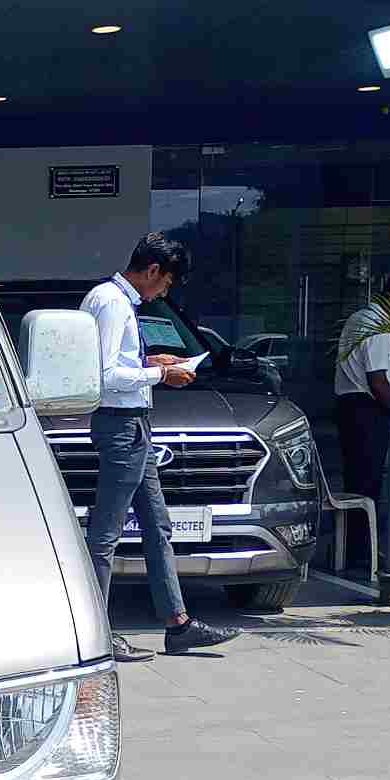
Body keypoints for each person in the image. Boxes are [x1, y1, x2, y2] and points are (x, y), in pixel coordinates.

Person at [81, 234, 241, 663]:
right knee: (106, 535)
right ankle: (97, 634)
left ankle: (178, 623)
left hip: (134, 424)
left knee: (157, 526)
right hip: (120, 424)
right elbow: (103, 374)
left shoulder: (115, 300)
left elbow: (117, 364)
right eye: (167, 282)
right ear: (153, 270)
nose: (164, 292)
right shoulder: (112, 302)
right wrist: (160, 376)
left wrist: (153, 363)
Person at [334, 285, 390, 520]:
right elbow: (378, 382)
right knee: (367, 485)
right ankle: (363, 540)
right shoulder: (378, 327)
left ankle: (353, 539)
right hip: (367, 410)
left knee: (355, 484)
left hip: (349, 406)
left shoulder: (358, 317)